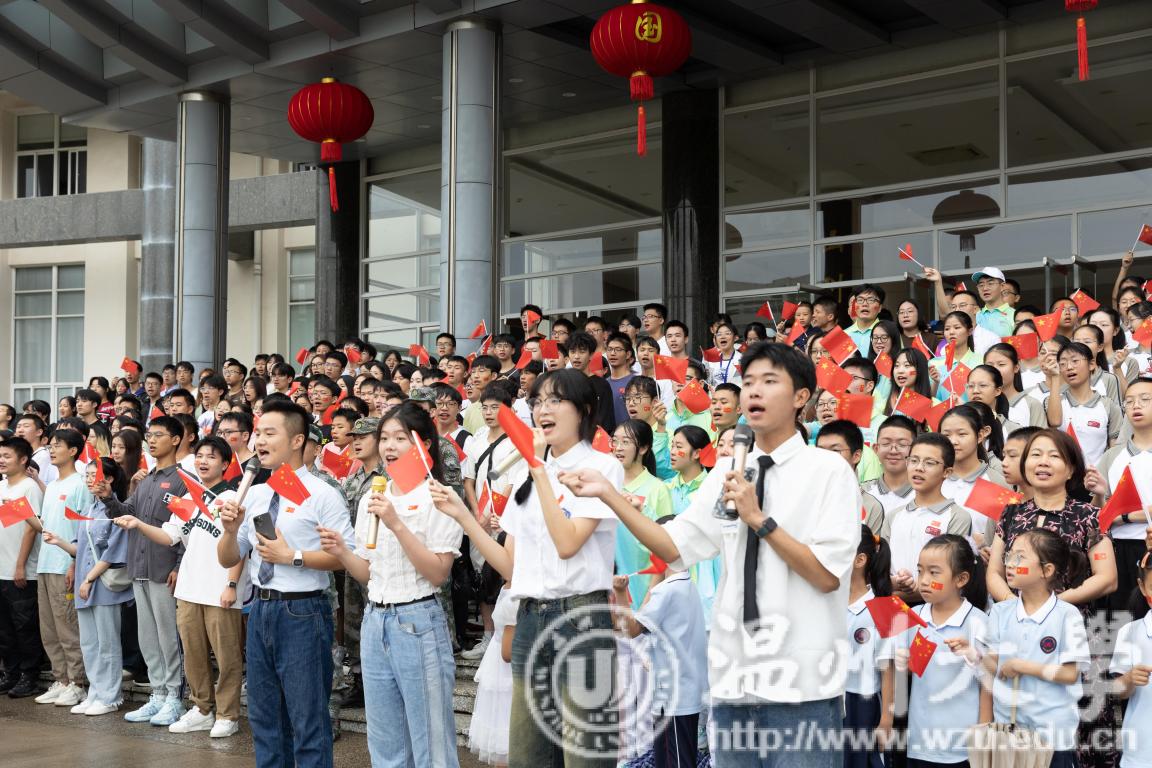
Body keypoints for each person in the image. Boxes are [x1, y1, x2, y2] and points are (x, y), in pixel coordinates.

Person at [559, 342, 861, 767]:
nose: (754, 391)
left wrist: (759, 520)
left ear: (801, 396)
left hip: (802, 685)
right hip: (734, 681)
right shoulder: (729, 471)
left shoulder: (828, 471)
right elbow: (673, 545)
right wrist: (609, 495)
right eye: (748, 382)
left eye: (769, 381)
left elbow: (828, 575)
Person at [430, 368, 626, 767]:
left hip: (580, 618)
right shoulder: (527, 474)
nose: (543, 410)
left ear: (584, 410)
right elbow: (510, 565)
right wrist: (464, 517)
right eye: (537, 402)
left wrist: (539, 469)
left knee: (583, 756)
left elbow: (568, 544)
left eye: (555, 400)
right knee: (528, 755)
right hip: (530, 618)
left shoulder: (602, 468)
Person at [316, 402, 462, 767]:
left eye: (400, 438)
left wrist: (396, 523)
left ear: (423, 444)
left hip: (418, 621)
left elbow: (438, 573)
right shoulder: (373, 496)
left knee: (431, 741)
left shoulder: (438, 497)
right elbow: (368, 573)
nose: (389, 446)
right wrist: (342, 551)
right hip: (375, 620)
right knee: (385, 740)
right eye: (384, 438)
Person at [217, 399, 355, 768]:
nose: (260, 441)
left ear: (296, 440)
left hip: (303, 611)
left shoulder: (322, 494)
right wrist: (229, 531)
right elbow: (229, 558)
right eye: (258, 434)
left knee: (307, 718)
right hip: (260, 608)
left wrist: (292, 556)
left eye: (269, 433)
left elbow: (346, 556)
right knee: (265, 717)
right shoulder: (255, 493)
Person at [112, 436, 247, 737]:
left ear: (226, 464)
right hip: (188, 589)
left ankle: (227, 715)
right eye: (199, 456)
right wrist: (138, 524)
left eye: (211, 457)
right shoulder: (188, 499)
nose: (203, 461)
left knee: (226, 657)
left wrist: (231, 584)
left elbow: (241, 546)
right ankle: (202, 709)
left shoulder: (234, 498)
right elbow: (169, 536)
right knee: (194, 655)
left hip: (219, 590)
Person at [96, 415, 188, 726]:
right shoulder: (146, 479)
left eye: (159, 434)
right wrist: (108, 497)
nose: (152, 439)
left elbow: (185, 528)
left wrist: (179, 563)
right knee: (148, 636)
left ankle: (175, 697)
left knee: (168, 636)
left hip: (164, 568)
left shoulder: (183, 480)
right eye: (150, 434)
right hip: (139, 567)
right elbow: (127, 513)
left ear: (176, 439)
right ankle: (158, 694)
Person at [981, 529, 1089, 765]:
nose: (1009, 564)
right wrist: (971, 654)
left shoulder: (1067, 615)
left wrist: (1022, 666)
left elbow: (1070, 674)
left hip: (1052, 739)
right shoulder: (999, 612)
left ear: (1046, 570)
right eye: (1009, 556)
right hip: (1008, 735)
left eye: (1019, 558)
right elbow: (990, 670)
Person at [610, 516, 708, 768]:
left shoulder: (668, 591)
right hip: (684, 694)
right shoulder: (687, 585)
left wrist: (620, 593)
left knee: (674, 761)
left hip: (672, 698)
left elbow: (631, 630)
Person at [40, 457, 131, 716]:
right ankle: (96, 693)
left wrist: (89, 579)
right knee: (89, 643)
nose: (89, 480)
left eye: (94, 475)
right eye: (87, 475)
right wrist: (58, 541)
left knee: (107, 643)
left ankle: (111, 696)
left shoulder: (117, 509)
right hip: (85, 582)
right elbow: (79, 548)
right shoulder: (90, 508)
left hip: (101, 584)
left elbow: (113, 551)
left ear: (109, 479)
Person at [897, 534, 991, 767]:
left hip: (963, 746)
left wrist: (983, 730)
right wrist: (903, 665)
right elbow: (911, 672)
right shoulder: (914, 617)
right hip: (920, 742)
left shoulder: (977, 622)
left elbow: (989, 681)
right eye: (920, 571)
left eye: (934, 573)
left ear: (961, 579)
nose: (924, 580)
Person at [35, 428, 92, 707]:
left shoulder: (80, 484)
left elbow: (84, 528)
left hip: (64, 564)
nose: (52, 450)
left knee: (68, 627)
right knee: (49, 629)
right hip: (45, 563)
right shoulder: (53, 485)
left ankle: (77, 682)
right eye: (51, 446)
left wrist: (73, 563)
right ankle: (62, 679)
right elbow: (47, 526)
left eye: (58, 445)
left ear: (73, 451)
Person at [881, 433, 973, 605]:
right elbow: (881, 568)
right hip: (891, 607)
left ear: (947, 472)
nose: (919, 468)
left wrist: (893, 594)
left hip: (934, 608)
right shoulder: (894, 515)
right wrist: (891, 585)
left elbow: (951, 575)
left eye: (929, 463)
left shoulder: (957, 517)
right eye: (914, 460)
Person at [1086, 377, 1152, 612]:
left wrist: (1123, 517)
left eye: (1145, 399)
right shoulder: (1112, 456)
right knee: (1120, 618)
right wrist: (1099, 495)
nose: (1136, 405)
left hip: (1148, 544)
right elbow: (1098, 514)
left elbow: (1115, 515)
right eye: (1129, 401)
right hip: (1117, 549)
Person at [843, 526, 895, 768]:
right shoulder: (828, 601)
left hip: (862, 704)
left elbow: (888, 669)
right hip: (829, 698)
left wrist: (886, 718)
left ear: (860, 560)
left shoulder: (882, 608)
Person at [612, 419, 674, 609]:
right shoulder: (608, 485)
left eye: (625, 442)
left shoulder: (658, 489)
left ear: (644, 448)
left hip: (643, 585)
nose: (618, 448)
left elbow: (666, 543)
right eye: (615, 441)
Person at [0, 436, 45, 698]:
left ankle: (29, 676)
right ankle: (11, 673)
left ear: (23, 459)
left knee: (24, 626)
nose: (2, 460)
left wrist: (20, 565)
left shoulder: (29, 487)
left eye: (7, 456)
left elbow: (32, 528)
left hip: (21, 570)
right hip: (1, 568)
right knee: (5, 628)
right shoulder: (2, 486)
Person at [468, 569, 518, 767]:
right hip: (507, 669)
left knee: (505, 740)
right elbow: (508, 653)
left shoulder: (509, 588)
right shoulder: (513, 592)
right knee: (507, 739)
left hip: (500, 666)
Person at [1043, 340, 1122, 466]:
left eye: (1075, 361)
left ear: (1091, 364)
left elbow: (1114, 449)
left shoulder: (1108, 406)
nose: (1069, 367)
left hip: (1095, 475)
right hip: (1062, 475)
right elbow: (1055, 422)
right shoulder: (1052, 401)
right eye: (1062, 364)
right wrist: (1055, 377)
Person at [1110, 552, 1152, 768]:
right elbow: (1117, 691)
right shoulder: (1130, 632)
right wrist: (1128, 679)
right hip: (1142, 752)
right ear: (1142, 587)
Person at [815, 420, 884, 535]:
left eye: (835, 450)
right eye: (820, 451)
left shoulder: (870, 506)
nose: (826, 457)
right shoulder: (806, 496)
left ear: (856, 456)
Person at [862, 416, 917, 519]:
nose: (893, 451)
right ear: (876, 449)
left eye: (902, 444)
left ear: (915, 449)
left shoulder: (925, 495)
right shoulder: (861, 492)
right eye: (886, 443)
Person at [983, 343, 1046, 428]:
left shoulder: (1031, 404)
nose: (995, 370)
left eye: (1001, 364)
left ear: (1016, 367)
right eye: (990, 365)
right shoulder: (980, 403)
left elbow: (1041, 436)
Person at [972, 266, 1016, 337]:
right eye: (981, 285)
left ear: (1002, 286)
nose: (985, 288)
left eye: (990, 283)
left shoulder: (1014, 315)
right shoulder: (975, 316)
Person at [846, 284, 885, 354]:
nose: (865, 304)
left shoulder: (889, 332)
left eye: (871, 300)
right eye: (860, 300)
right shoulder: (844, 334)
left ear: (880, 308)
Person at [705, 322, 743, 387]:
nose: (722, 337)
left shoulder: (742, 359)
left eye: (727, 333)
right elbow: (707, 383)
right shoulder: (710, 360)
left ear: (735, 338)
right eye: (719, 334)